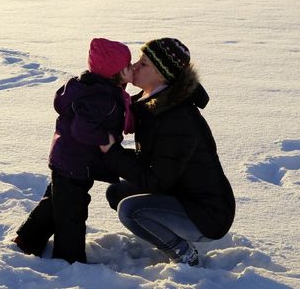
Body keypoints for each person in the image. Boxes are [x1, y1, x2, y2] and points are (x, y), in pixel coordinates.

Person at [100, 38, 235, 266]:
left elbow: (157, 180)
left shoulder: (176, 119)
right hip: (181, 191)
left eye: (143, 64)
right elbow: (150, 161)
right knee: (117, 193)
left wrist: (114, 154)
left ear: (162, 75)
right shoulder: (155, 102)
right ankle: (167, 229)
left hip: (208, 214)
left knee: (130, 210)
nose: (134, 67)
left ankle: (183, 252)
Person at [14, 38, 134, 264]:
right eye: (127, 65)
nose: (133, 67)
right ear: (113, 72)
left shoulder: (96, 88)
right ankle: (69, 258)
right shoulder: (102, 98)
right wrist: (104, 138)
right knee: (72, 212)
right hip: (75, 164)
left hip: (70, 160)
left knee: (55, 202)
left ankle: (28, 240)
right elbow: (82, 128)